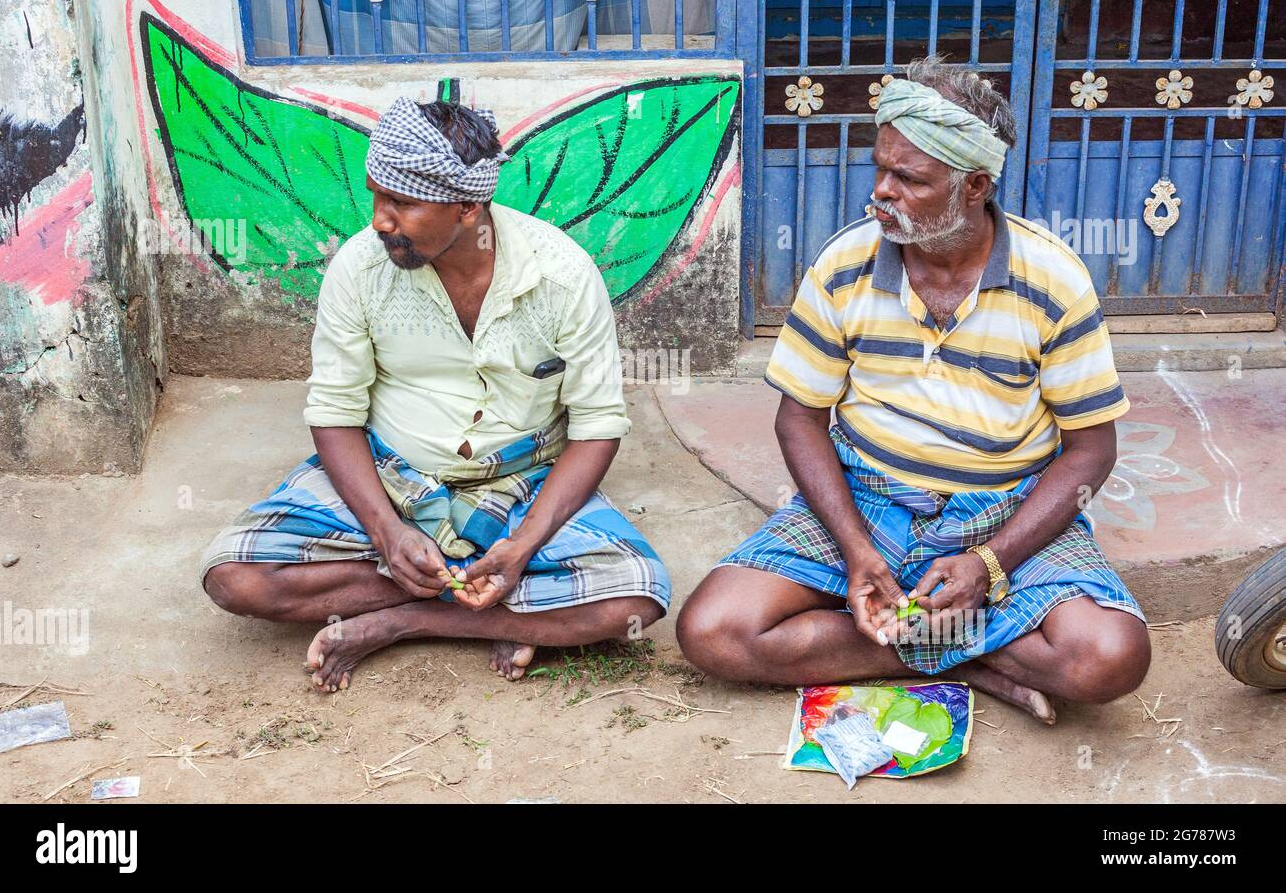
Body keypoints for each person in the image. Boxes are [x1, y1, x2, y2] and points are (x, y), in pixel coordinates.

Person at [677, 56, 1149, 724]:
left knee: (1110, 658)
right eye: (881, 168)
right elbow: (800, 421)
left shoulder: (1054, 281)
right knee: (713, 630)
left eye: (909, 178)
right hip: (868, 499)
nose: (881, 192)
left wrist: (989, 562)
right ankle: (975, 655)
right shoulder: (846, 264)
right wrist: (855, 548)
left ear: (976, 184)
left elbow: (1091, 451)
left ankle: (915, 639)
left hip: (1003, 509)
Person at [201, 97, 669, 691]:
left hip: (522, 481)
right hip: (391, 473)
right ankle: (503, 606)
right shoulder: (360, 269)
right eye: (377, 196)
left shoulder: (562, 276)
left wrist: (524, 544)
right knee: (235, 578)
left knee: (635, 597)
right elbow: (334, 413)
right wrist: (387, 534)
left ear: (468, 206)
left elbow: (598, 424)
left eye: (402, 202)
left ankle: (405, 620)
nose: (380, 220)